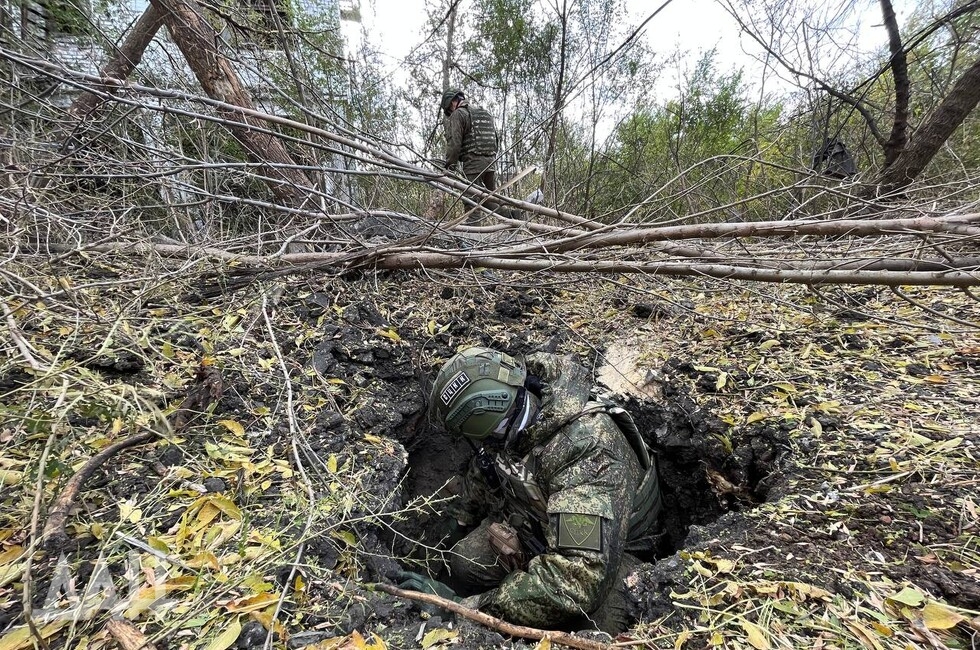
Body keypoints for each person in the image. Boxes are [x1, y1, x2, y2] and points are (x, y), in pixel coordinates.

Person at [397, 346, 663, 633]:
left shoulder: (586, 448)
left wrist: (464, 609)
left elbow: (578, 580)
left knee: (598, 625)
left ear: (493, 424)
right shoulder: (514, 411)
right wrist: (455, 525)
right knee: (464, 561)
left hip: (613, 552)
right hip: (539, 528)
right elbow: (485, 469)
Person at [440, 89, 499, 191]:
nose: (451, 112)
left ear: (452, 102)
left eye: (449, 110)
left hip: (473, 166)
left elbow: (454, 144)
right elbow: (495, 141)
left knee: (471, 198)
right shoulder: (486, 113)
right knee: (492, 198)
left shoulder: (459, 113)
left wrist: (449, 168)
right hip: (491, 165)